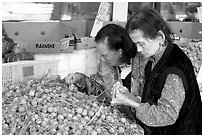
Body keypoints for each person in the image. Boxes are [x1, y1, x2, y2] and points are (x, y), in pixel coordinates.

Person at [110, 7, 202, 135]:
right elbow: (151, 100)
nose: (139, 50)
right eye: (135, 44)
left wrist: (130, 102)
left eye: (141, 44)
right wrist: (128, 96)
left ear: (160, 37)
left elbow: (166, 115)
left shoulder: (173, 70)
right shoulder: (155, 58)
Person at [65, 24, 137, 104]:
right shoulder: (107, 65)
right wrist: (80, 79)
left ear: (119, 52)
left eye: (104, 55)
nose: (101, 58)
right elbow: (100, 89)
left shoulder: (138, 71)